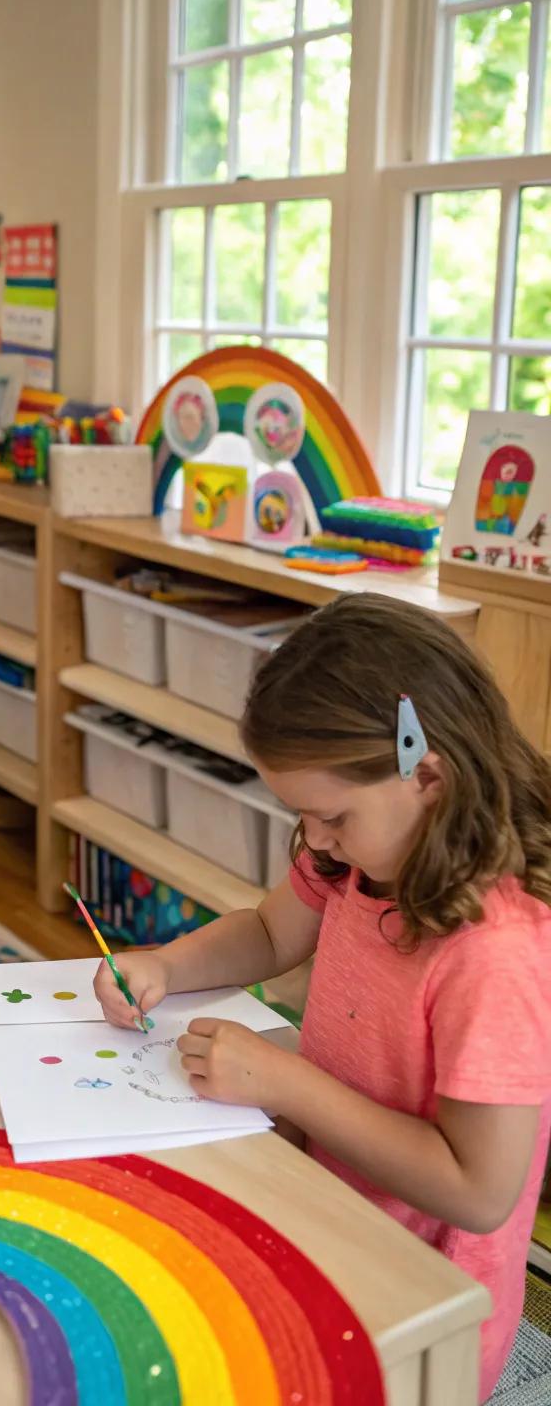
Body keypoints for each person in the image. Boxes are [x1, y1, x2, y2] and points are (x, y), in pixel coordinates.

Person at [95, 594, 551, 1402]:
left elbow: (480, 1193)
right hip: (330, 1210)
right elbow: (271, 937)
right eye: (301, 816)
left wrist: (287, 1081)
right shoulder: (357, 857)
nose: (316, 839)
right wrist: (164, 963)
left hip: (420, 1310)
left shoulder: (497, 953)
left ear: (431, 778)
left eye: (331, 814)